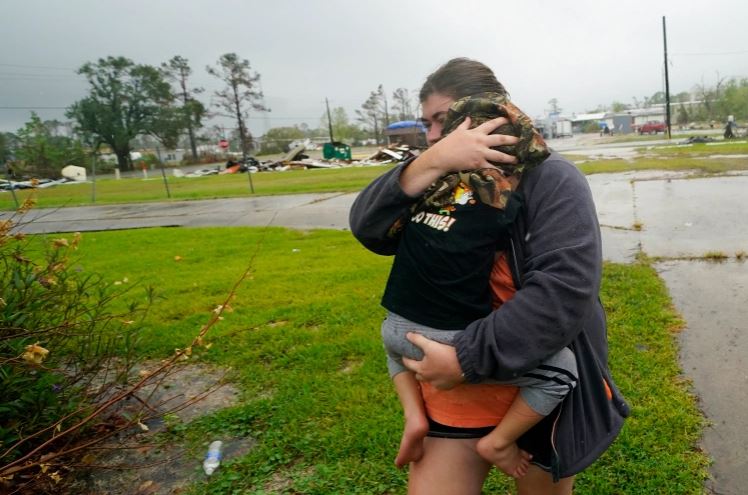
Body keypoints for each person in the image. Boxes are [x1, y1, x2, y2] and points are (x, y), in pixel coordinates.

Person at [349, 58, 629, 495]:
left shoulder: (552, 179)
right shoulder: (436, 175)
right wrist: (429, 164)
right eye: (429, 125)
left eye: (444, 120)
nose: (436, 136)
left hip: (535, 385)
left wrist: (464, 358)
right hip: (457, 390)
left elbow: (563, 294)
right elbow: (369, 229)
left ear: (490, 112)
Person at [377, 92, 579, 479]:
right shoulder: (503, 203)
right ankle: (499, 441)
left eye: (439, 123)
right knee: (563, 369)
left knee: (396, 344)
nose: (433, 136)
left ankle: (413, 415)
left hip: (395, 330)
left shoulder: (428, 191)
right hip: (445, 341)